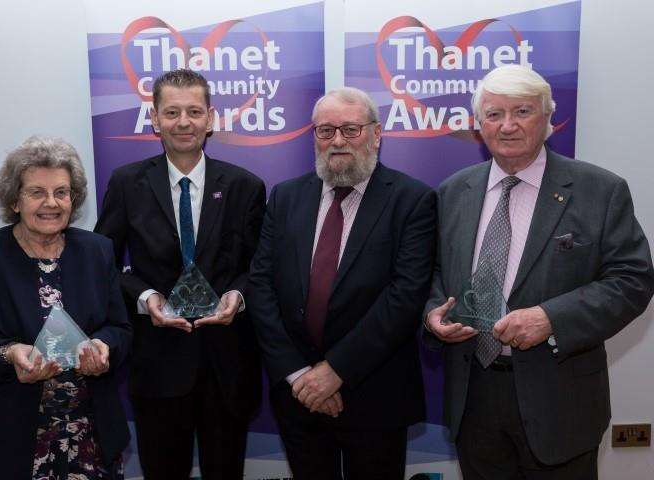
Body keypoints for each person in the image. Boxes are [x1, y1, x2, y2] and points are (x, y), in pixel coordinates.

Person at [424, 65, 654, 479]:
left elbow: (631, 280)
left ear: (548, 118)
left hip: (560, 398)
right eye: (494, 115)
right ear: (479, 126)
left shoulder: (599, 190)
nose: (507, 125)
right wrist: (433, 314)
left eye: (523, 111)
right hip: (473, 396)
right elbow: (438, 272)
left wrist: (551, 319)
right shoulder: (453, 191)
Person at [247, 86, 437, 480]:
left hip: (375, 394)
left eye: (351, 129)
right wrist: (300, 375)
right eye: (326, 130)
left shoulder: (412, 200)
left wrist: (335, 371)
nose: (337, 141)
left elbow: (404, 297)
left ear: (376, 133)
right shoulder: (286, 197)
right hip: (298, 396)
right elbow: (261, 287)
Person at [94, 69, 266, 479]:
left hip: (227, 362)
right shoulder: (126, 183)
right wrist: (144, 296)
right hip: (156, 363)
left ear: (211, 117)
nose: (183, 122)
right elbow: (104, 262)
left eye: (193, 111)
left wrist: (237, 298)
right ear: (154, 118)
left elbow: (262, 268)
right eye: (172, 112)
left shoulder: (246, 186)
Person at [0, 136, 132, 479]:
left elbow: (120, 329)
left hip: (90, 437)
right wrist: (8, 354)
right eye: (36, 192)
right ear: (14, 200)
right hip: (9, 441)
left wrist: (105, 347)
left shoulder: (98, 251)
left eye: (61, 192)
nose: (51, 203)